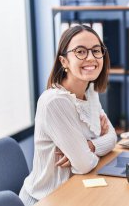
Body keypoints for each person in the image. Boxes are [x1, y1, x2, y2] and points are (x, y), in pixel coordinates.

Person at [19, 25, 117, 205]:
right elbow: (84, 164)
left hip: (77, 190)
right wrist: (86, 152)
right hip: (48, 199)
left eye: (96, 50)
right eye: (80, 51)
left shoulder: (89, 91)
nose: (91, 57)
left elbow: (112, 137)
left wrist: (90, 146)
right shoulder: (55, 102)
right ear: (64, 61)